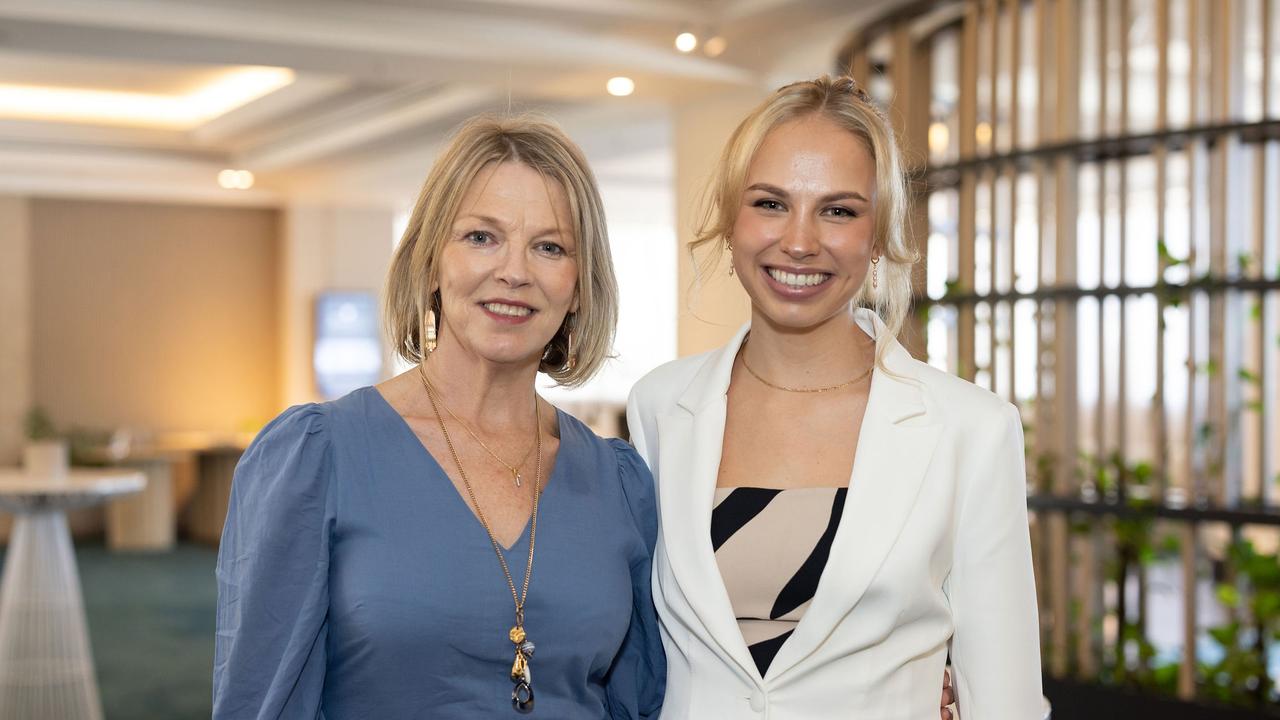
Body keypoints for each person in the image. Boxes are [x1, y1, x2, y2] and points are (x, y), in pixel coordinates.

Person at [213, 114, 664, 718]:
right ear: (430, 261)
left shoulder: (620, 483)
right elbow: (260, 702)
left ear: (580, 285)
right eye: (481, 237)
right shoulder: (318, 456)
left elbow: (636, 699)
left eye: (550, 247)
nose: (514, 271)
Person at [627, 75, 1042, 719]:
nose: (799, 241)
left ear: (878, 237)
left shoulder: (971, 429)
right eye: (770, 203)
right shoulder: (659, 407)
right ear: (731, 219)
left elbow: (1005, 697)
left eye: (839, 210)